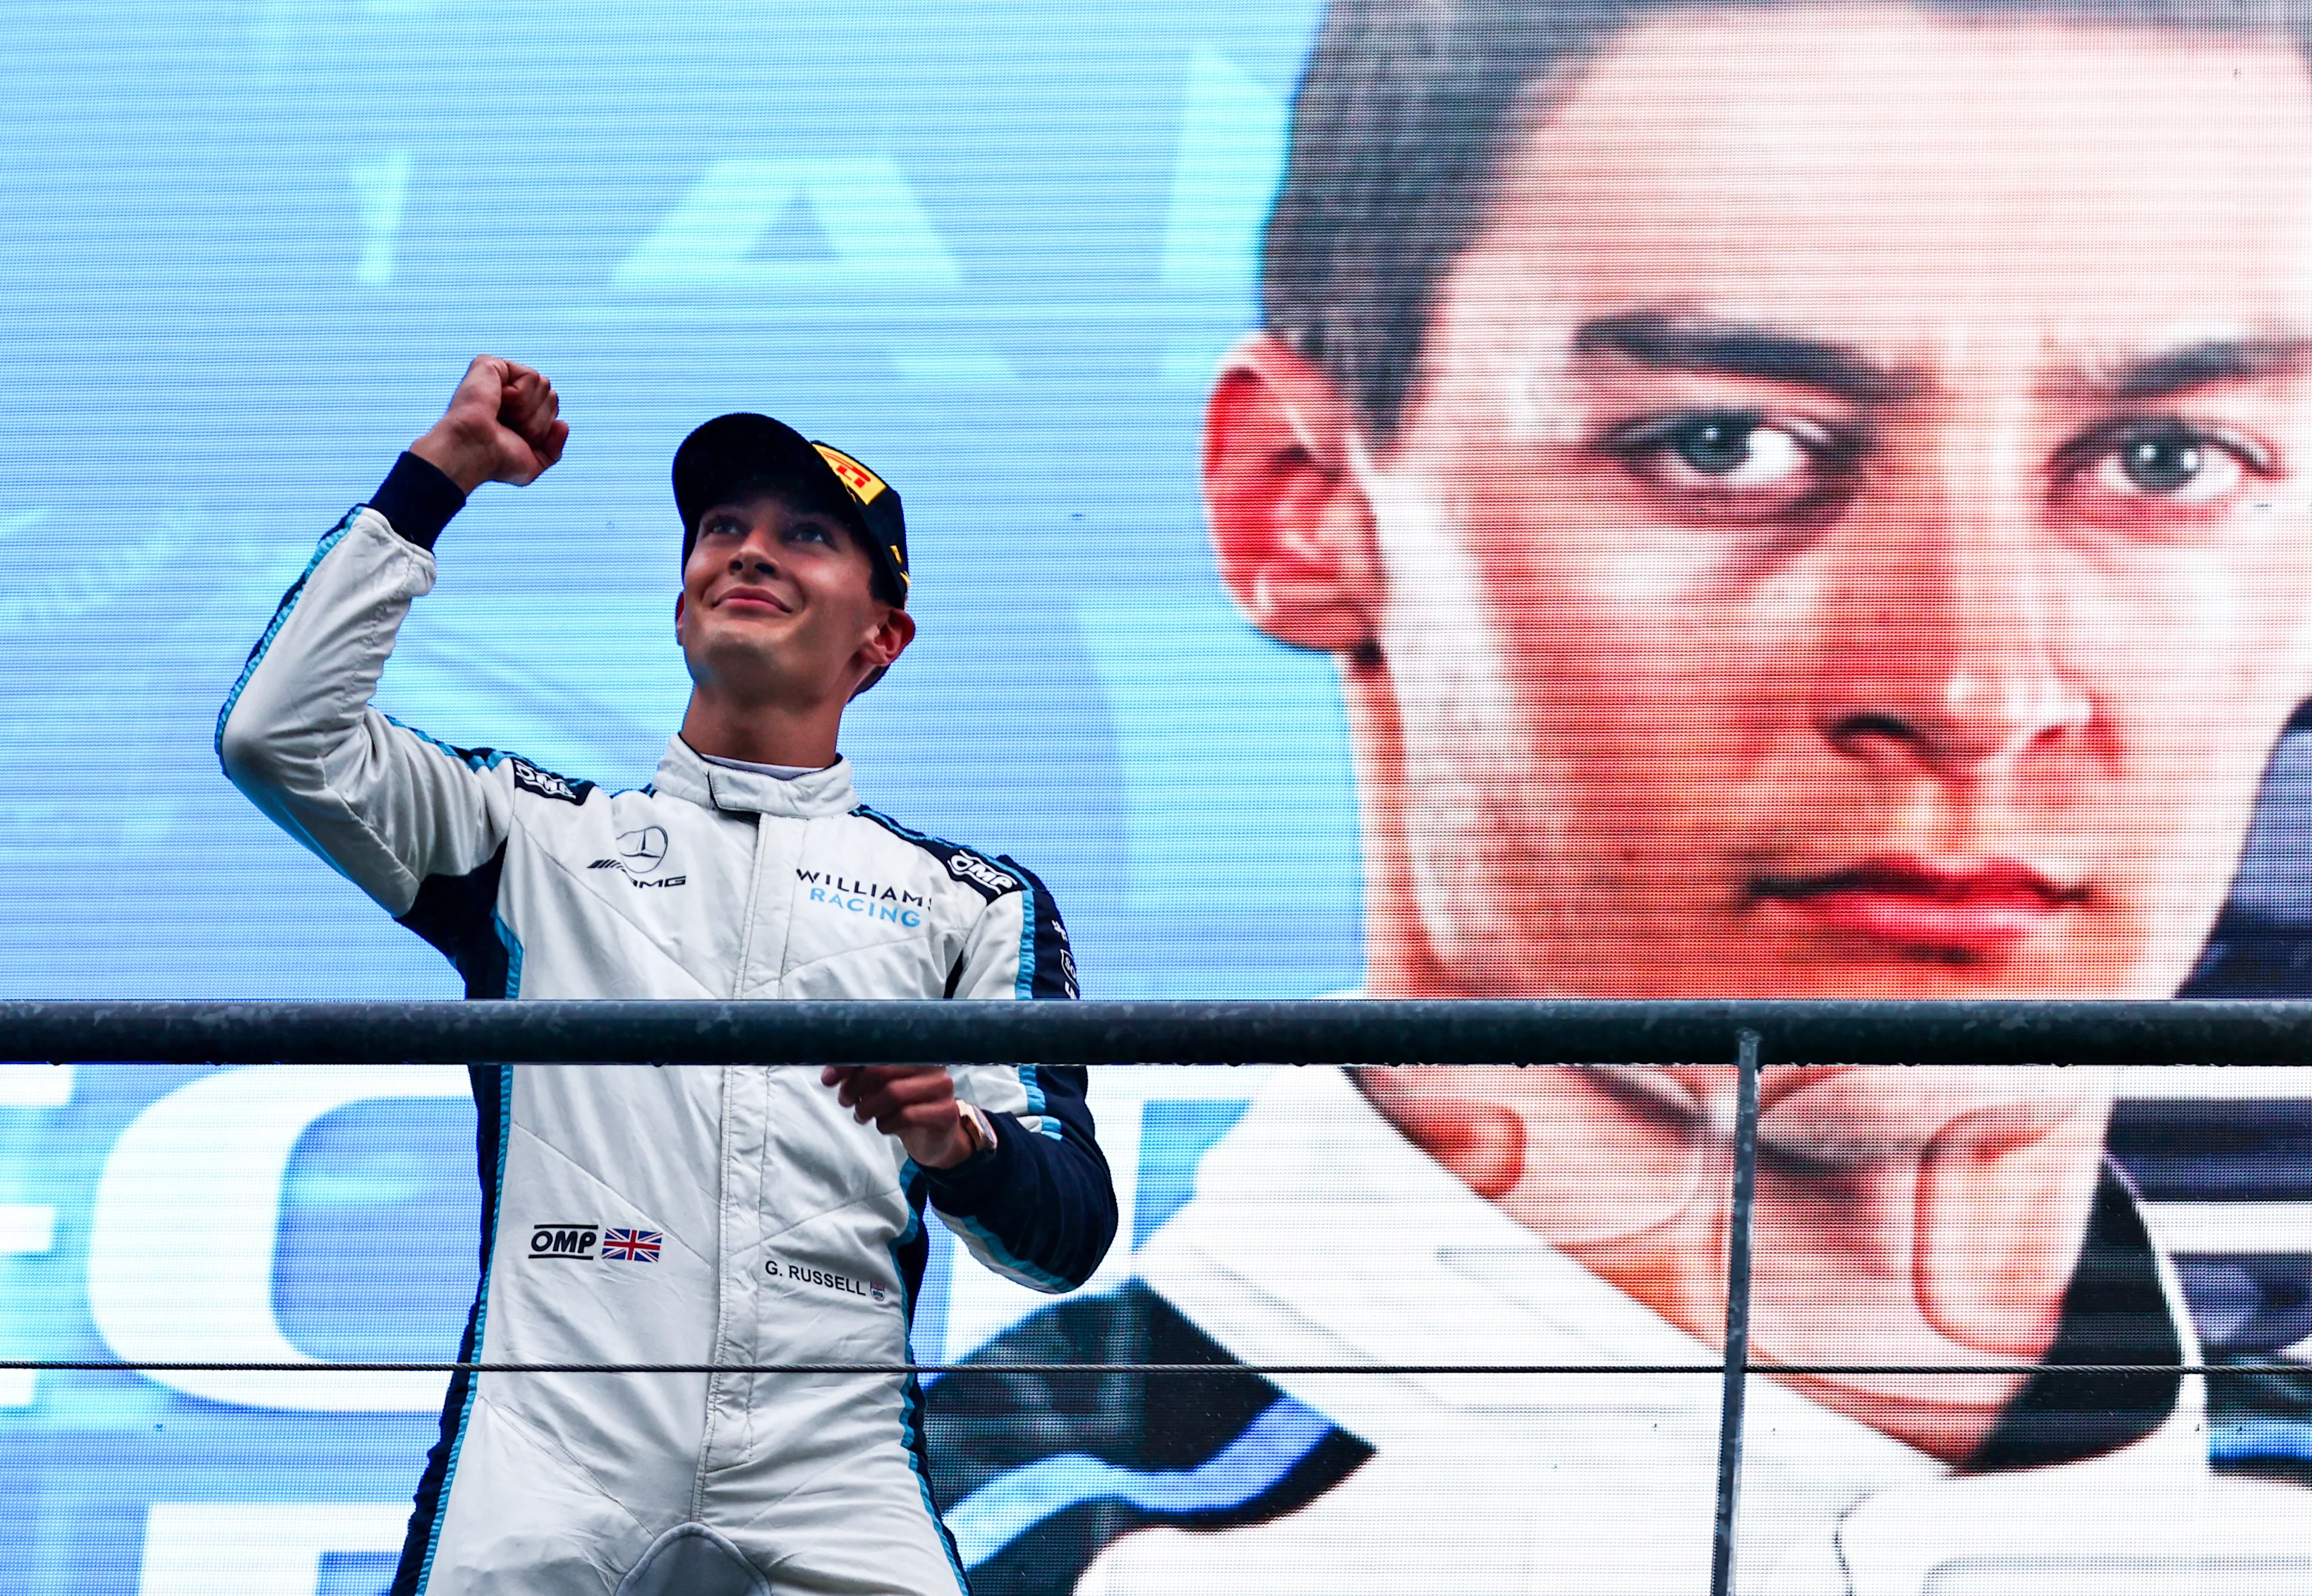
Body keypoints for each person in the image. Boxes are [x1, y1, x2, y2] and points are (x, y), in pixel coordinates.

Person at [922, 1, 2312, 1591]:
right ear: (1301, 503)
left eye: (2167, 461)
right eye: (1722, 444)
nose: (1975, 690)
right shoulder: (948, 1552)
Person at [217, 356, 1119, 1596]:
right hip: (548, 1455)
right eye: (722, 529)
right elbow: (280, 737)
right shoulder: (529, 833)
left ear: (883, 638)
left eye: (808, 534)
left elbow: (1066, 1231)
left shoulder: (972, 900)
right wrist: (439, 479)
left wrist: (958, 1139)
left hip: (837, 1465)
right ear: (682, 599)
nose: (749, 552)